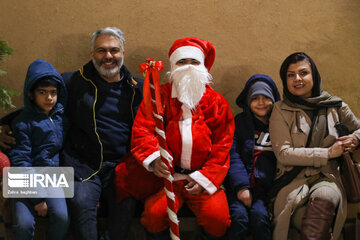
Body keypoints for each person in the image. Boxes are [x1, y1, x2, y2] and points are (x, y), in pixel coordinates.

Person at [0, 27, 143, 240]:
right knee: (80, 211)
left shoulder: (137, 88)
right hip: (83, 167)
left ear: (123, 52)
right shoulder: (72, 82)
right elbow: (39, 109)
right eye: (101, 50)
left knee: (124, 217)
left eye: (114, 50)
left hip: (121, 166)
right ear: (92, 54)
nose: (108, 56)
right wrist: (3, 125)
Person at [131, 37, 235, 239]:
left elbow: (223, 143)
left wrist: (205, 179)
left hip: (203, 178)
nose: (188, 67)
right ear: (172, 67)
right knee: (154, 216)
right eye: (182, 62)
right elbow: (142, 131)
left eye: (194, 62)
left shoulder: (216, 102)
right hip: (168, 179)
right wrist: (154, 160)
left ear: (203, 66)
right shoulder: (157, 96)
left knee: (218, 219)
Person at [269, 52, 360, 240]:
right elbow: (284, 153)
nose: (297, 79)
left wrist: (356, 139)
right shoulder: (280, 109)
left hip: (327, 176)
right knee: (308, 224)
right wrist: (328, 152)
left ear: (314, 75)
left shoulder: (335, 105)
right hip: (291, 179)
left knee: (323, 204)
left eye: (303, 73)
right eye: (290, 75)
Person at [8, 59, 69, 240]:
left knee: (62, 218)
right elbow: (20, 161)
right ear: (31, 94)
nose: (49, 98)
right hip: (22, 177)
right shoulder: (21, 122)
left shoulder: (61, 118)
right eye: (42, 92)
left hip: (52, 176)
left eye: (53, 93)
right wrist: (38, 198)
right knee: (22, 224)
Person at [226, 74, 280, 240]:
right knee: (238, 219)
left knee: (260, 219)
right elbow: (232, 156)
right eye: (255, 98)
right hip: (237, 186)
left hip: (264, 191)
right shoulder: (240, 123)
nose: (261, 103)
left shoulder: (280, 124)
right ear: (248, 101)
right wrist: (242, 187)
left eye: (266, 98)